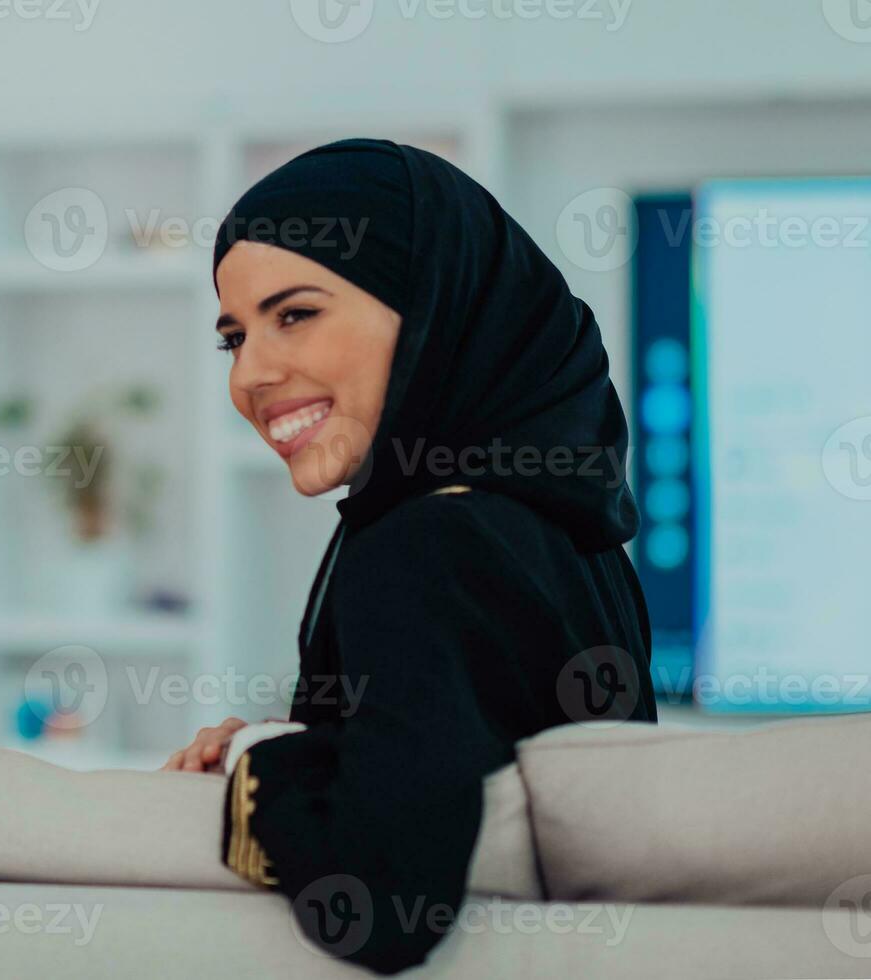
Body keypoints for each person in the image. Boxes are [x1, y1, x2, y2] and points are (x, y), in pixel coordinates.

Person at [162, 139, 657, 973]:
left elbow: (381, 898)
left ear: (433, 305)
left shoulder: (429, 541)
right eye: (232, 339)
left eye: (294, 314)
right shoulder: (561, 533)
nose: (249, 374)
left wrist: (253, 762)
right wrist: (312, 750)